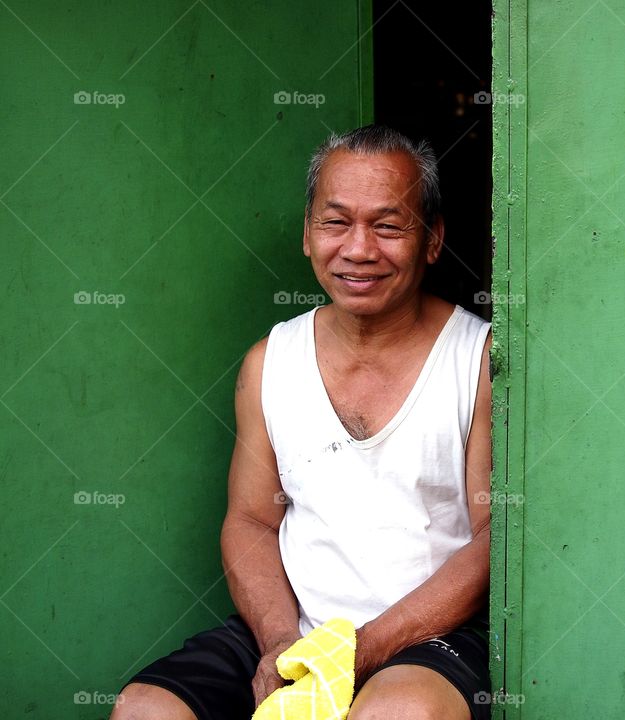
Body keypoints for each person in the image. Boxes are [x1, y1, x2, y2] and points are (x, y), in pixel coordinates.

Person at [111, 125, 494, 720]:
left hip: (425, 638)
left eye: (388, 226)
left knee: (396, 715)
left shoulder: (477, 362)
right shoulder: (270, 362)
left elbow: (490, 541)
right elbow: (250, 521)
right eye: (335, 223)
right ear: (308, 237)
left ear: (433, 240)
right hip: (295, 634)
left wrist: (357, 653)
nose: (359, 249)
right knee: (145, 710)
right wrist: (281, 643)